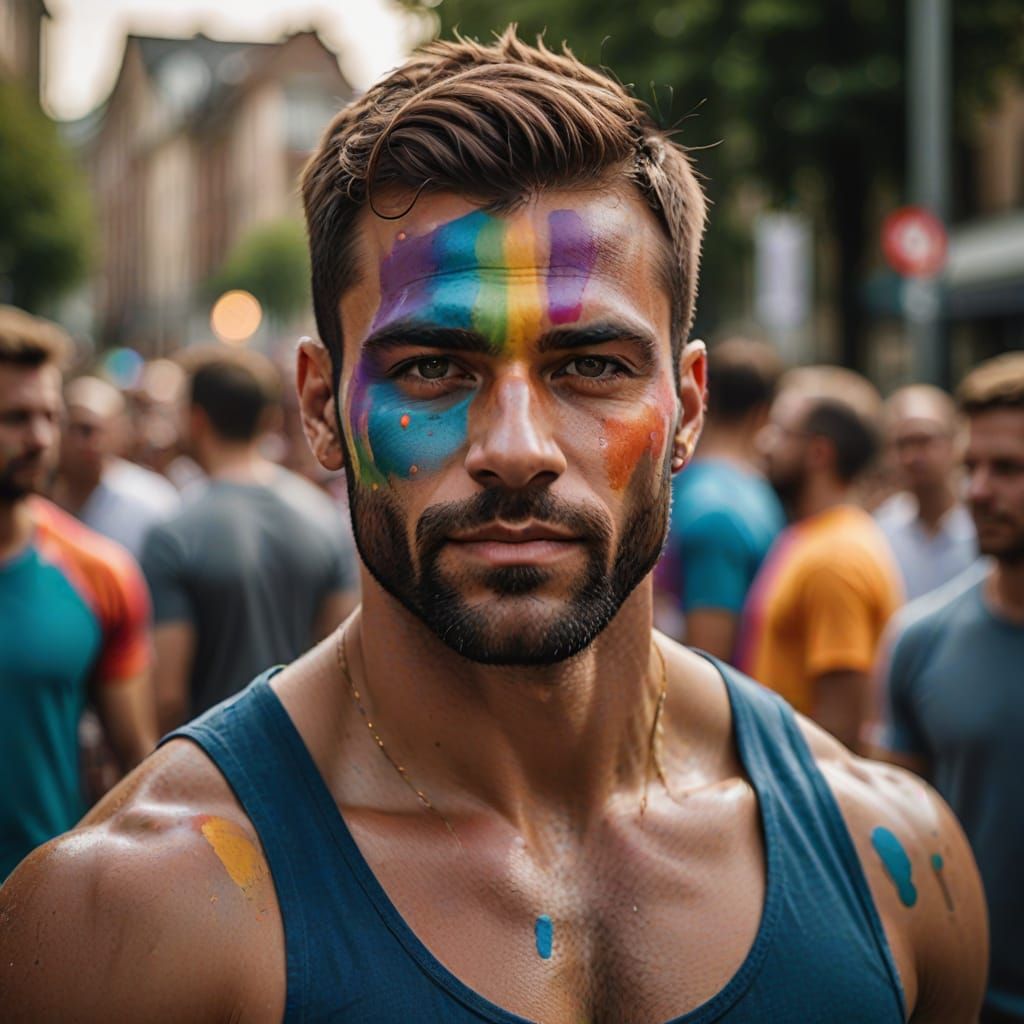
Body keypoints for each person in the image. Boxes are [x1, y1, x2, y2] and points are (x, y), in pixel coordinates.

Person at [0, 32, 985, 1022]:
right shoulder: (122, 917)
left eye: (590, 366)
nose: (515, 448)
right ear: (318, 406)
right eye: (432, 366)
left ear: (686, 406)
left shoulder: (892, 861)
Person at [877, 353, 1024, 1024]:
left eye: (1009, 470)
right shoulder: (919, 640)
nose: (980, 491)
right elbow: (893, 854)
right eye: (974, 467)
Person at [0, 306, 156, 881]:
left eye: (49, 416)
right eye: (15, 418)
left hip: (33, 919)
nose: (40, 439)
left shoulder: (100, 573)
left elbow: (136, 766)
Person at [139, 345, 358, 732]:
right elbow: (343, 662)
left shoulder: (173, 535)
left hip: (207, 769)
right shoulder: (325, 519)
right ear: (268, 420)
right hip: (306, 756)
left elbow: (167, 698)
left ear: (196, 420)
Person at [736, 367, 904, 750]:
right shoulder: (809, 536)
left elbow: (839, 731)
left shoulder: (837, 557)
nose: (764, 442)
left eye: (779, 430)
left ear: (819, 452)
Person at [656, 337, 785, 657]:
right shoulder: (731, 503)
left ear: (699, 397)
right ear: (764, 412)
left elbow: (708, 657)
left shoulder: (711, 504)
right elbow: (708, 656)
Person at [52, 374, 181, 559]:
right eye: (71, 429)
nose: (86, 443)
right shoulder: (36, 497)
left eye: (90, 430)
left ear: (118, 432)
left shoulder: (152, 503)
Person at [874, 385, 978, 600]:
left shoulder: (984, 518)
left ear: (955, 442)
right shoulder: (881, 531)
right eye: (902, 444)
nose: (913, 456)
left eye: (924, 440)